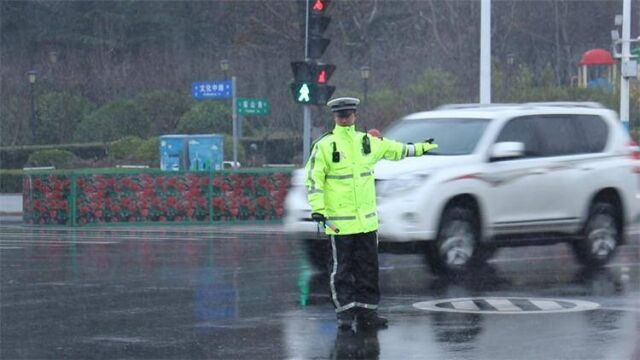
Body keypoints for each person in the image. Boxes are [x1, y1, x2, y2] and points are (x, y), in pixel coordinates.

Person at [304, 97, 438, 330]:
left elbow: (395, 149)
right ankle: (345, 313)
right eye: (341, 115)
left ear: (355, 116)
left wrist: (420, 148)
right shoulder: (325, 145)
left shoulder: (367, 142)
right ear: (335, 117)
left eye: (348, 115)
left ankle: (367, 312)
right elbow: (314, 179)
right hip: (339, 224)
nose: (345, 119)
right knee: (341, 270)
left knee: (368, 269)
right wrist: (318, 209)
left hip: (366, 224)